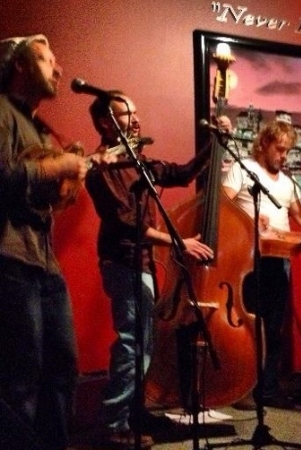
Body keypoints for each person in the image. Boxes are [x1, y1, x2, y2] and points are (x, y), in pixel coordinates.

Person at [0, 34, 113, 450]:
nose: (59, 69)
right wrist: (58, 166)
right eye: (47, 60)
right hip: (9, 259)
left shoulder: (40, 129)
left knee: (63, 369)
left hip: (43, 261)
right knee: (21, 377)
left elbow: (41, 202)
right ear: (20, 65)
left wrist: (70, 181)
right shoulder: (2, 111)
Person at [85, 92, 214, 448]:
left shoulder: (137, 161)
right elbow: (127, 223)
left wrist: (214, 144)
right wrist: (178, 242)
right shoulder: (103, 169)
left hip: (140, 264)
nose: (137, 119)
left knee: (144, 343)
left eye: (136, 112)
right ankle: (114, 425)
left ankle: (134, 413)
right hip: (123, 263)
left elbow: (181, 174)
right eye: (127, 114)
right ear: (105, 123)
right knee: (132, 345)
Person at [222, 119, 301, 410]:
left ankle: (268, 389)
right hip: (248, 259)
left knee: (274, 327)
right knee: (249, 325)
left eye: (288, 151)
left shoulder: (288, 182)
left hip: (279, 258)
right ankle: (243, 387)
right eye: (280, 149)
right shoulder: (243, 169)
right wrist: (251, 219)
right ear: (264, 143)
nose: (284, 156)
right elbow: (223, 205)